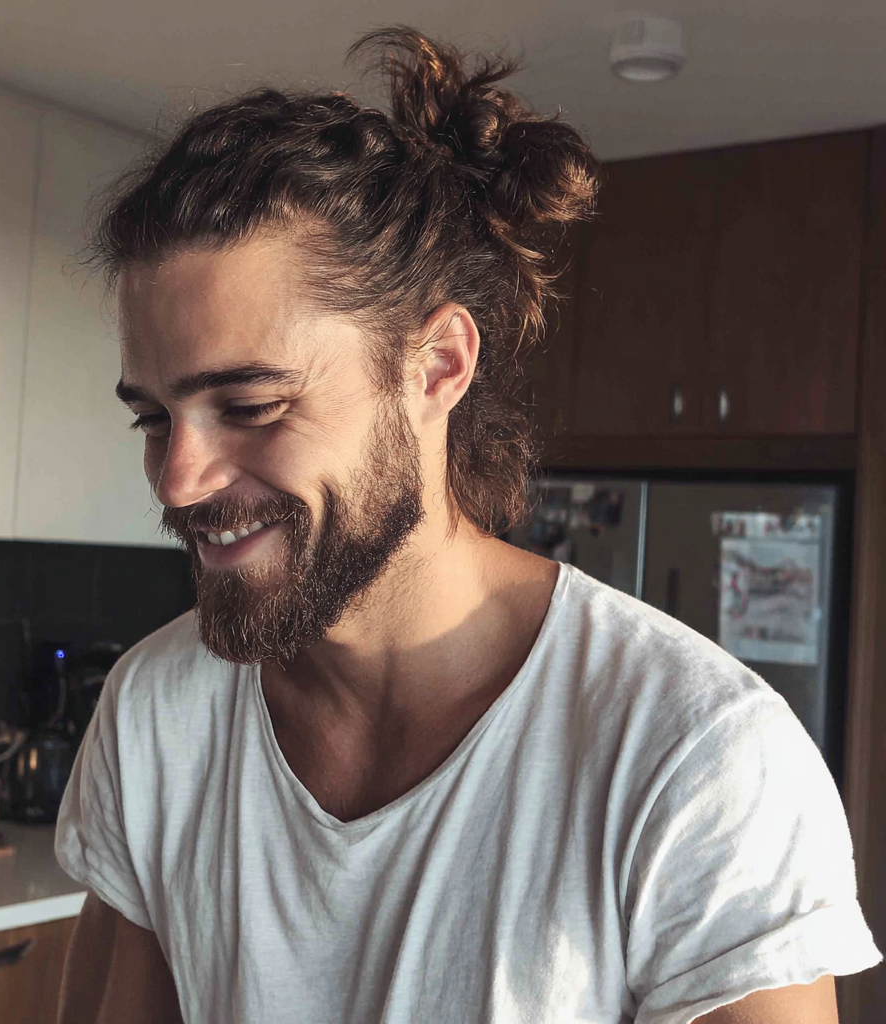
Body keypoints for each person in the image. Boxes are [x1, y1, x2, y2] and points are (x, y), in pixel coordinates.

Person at [54, 28, 880, 1024]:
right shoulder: (155, 714)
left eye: (252, 403)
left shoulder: (692, 757)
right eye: (152, 416)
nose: (178, 479)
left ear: (437, 366)